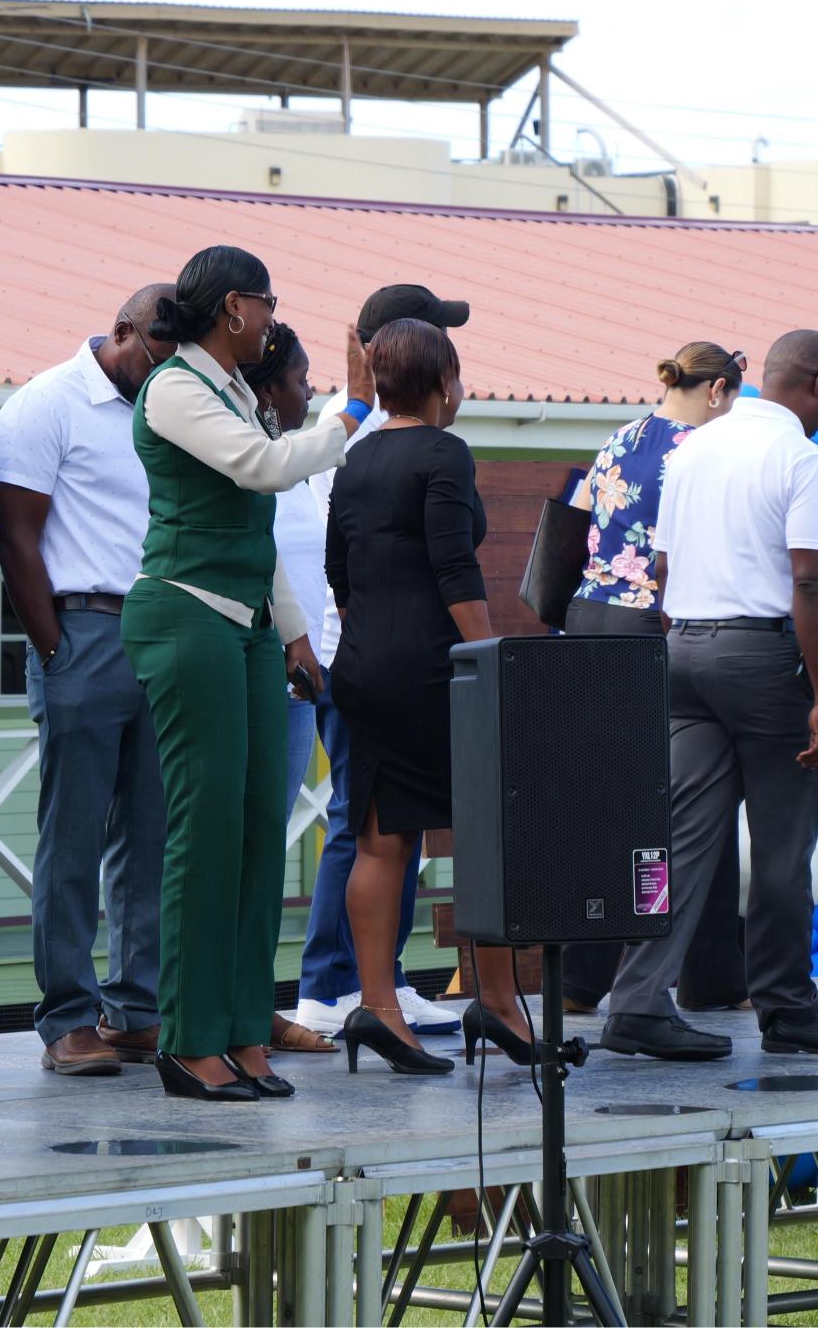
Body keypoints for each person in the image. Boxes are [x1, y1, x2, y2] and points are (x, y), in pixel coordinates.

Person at [601, 329, 818, 1061]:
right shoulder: (801, 458)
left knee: (679, 841)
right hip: (760, 658)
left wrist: (690, 638)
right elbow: (811, 579)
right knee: (784, 847)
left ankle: (635, 1002)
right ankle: (788, 1007)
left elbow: (663, 567)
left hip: (684, 651)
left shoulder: (692, 448)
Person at [121, 247, 355, 1100]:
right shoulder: (176, 388)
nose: (271, 319)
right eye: (267, 304)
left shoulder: (234, 393)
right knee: (207, 832)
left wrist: (295, 634)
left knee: (258, 832)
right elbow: (266, 468)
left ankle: (245, 1028)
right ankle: (189, 1040)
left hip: (249, 623)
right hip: (186, 614)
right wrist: (354, 411)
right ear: (231, 308)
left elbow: (255, 528)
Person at [326, 318, 532, 1075]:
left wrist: (373, 639)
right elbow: (455, 569)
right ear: (444, 382)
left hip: (363, 665)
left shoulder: (356, 456)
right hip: (435, 669)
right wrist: (490, 661)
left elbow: (339, 571)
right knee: (485, 831)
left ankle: (378, 1008)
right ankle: (500, 1002)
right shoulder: (445, 453)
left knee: (381, 839)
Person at [0, 283, 176, 1076]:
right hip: (84, 629)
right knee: (72, 838)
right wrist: (54, 649)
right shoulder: (48, 402)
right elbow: (16, 538)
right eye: (161, 352)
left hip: (162, 632)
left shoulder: (169, 407)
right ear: (125, 330)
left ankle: (136, 1008)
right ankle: (67, 1017)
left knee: (151, 836)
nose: (171, 369)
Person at [290, 285, 472, 1041]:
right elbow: (431, 564)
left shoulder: (379, 431)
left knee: (391, 825)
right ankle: (334, 984)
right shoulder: (357, 428)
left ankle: (381, 980)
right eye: (436, 337)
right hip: (370, 653)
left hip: (368, 650)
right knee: (360, 825)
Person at [559, 342, 749, 1015]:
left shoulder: (621, 436)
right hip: (654, 622)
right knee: (698, 792)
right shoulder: (701, 449)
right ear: (717, 390)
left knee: (608, 802)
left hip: (589, 617)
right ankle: (714, 976)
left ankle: (579, 978)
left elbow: (581, 516)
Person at [246, 323, 342, 1055]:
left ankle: (253, 1002)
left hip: (300, 681)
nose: (309, 392)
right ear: (266, 385)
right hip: (252, 669)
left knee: (265, 852)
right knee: (232, 847)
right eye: (300, 380)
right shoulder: (248, 458)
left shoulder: (294, 463)